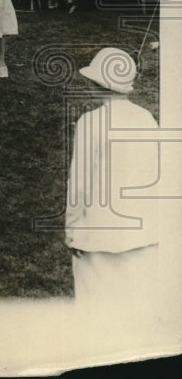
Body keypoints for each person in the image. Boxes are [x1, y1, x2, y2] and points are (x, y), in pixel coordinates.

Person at [65, 48, 160, 308]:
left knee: (96, 313)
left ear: (99, 84)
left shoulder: (90, 122)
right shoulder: (147, 119)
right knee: (137, 313)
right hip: (144, 237)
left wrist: (72, 228)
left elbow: (79, 184)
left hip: (97, 239)